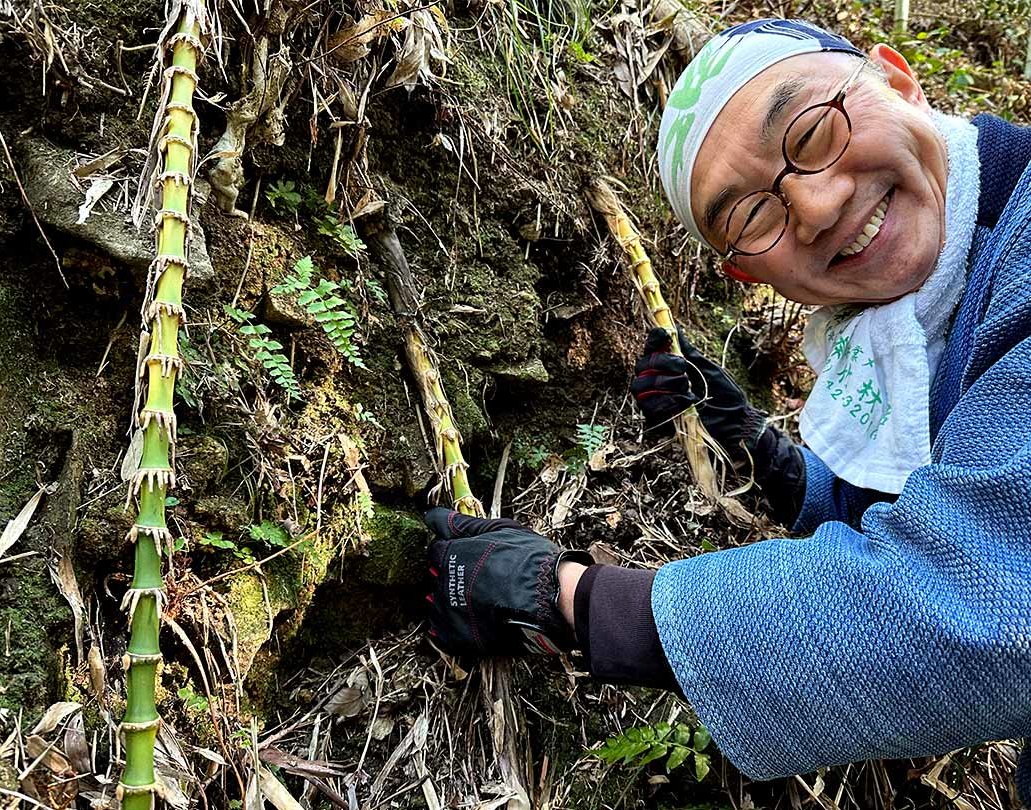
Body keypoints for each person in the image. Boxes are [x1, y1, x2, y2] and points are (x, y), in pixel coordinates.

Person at [423, 18, 1031, 801]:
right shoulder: (922, 317)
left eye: (813, 130)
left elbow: (988, 600)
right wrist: (772, 461)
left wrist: (572, 601)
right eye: (749, 218)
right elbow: (942, 493)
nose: (813, 206)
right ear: (747, 276)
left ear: (898, 77)